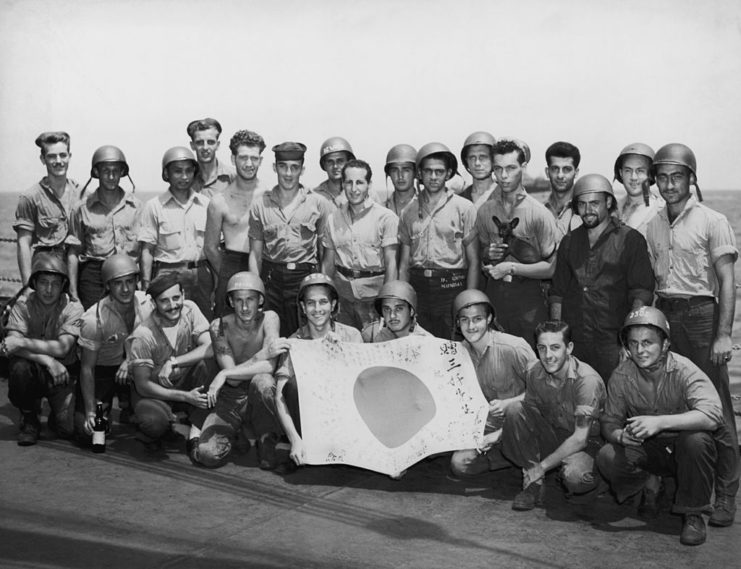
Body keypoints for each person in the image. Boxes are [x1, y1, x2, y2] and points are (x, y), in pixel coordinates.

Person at [646, 143, 739, 528]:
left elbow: (728, 282)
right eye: (663, 178)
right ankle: (679, 482)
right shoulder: (652, 223)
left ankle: (728, 492)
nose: (669, 185)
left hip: (702, 315)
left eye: (677, 177)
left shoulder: (712, 220)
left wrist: (723, 335)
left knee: (715, 405)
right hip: (667, 314)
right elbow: (653, 281)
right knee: (672, 398)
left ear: (691, 179)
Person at [597, 307, 724, 546]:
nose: (640, 350)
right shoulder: (622, 375)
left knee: (697, 441)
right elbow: (608, 422)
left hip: (683, 450)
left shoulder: (684, 370)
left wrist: (660, 421)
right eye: (633, 343)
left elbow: (713, 415)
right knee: (607, 456)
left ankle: (693, 514)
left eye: (648, 342)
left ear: (665, 344)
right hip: (648, 449)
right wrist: (620, 436)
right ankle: (649, 484)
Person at [550, 174, 655, 382]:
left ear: (608, 202)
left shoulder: (630, 240)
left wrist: (630, 341)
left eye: (594, 203)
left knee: (616, 403)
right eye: (582, 204)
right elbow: (557, 294)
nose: (588, 210)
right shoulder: (569, 241)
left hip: (613, 341)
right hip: (576, 340)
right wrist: (556, 340)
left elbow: (641, 292)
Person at [501, 320, 605, 510]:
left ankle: (599, 482)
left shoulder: (587, 381)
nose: (548, 356)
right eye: (542, 348)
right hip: (553, 434)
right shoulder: (534, 371)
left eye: (555, 348)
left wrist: (540, 467)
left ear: (569, 348)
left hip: (586, 443)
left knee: (576, 478)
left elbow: (580, 439)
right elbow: (529, 414)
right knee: (515, 410)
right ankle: (535, 484)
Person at [193, 272, 283, 469]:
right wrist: (230, 372)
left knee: (264, 381)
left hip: (257, 395)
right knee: (207, 455)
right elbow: (233, 379)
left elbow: (270, 365)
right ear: (231, 302)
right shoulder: (219, 326)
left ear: (260, 299)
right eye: (238, 300)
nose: (244, 307)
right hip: (231, 399)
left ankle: (266, 439)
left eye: (250, 299)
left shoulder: (270, 318)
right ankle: (235, 432)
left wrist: (224, 373)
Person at [273, 273, 363, 470]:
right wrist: (295, 440)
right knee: (292, 386)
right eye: (311, 303)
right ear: (303, 308)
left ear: (333, 305)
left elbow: (363, 388)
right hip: (309, 421)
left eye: (323, 302)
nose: (317, 309)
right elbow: (280, 397)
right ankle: (305, 445)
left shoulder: (351, 335)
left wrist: (342, 355)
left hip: (343, 419)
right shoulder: (294, 342)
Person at [475, 138, 558, 346]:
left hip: (528, 300)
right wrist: (488, 257)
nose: (503, 176)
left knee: (530, 364)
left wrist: (511, 267)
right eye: (498, 168)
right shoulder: (485, 211)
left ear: (523, 167)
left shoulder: (539, 214)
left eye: (511, 168)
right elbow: (480, 257)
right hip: (495, 297)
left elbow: (550, 269)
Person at [449, 290, 537, 478]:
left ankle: (522, 454)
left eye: (477, 319)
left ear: (489, 318)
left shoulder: (514, 347)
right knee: (460, 464)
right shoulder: (455, 354)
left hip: (521, 424)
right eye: (464, 320)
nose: (471, 326)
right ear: (457, 323)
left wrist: (509, 402)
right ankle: (506, 457)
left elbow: (545, 390)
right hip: (485, 426)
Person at [248, 142, 333, 337]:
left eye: (294, 167)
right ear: (274, 167)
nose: (288, 173)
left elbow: (325, 252)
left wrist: (322, 288)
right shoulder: (260, 204)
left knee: (306, 334)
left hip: (304, 277)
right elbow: (255, 254)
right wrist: (256, 290)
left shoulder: (318, 203)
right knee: (274, 335)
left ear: (302, 170)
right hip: (272, 280)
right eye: (282, 166)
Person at [398, 142, 478, 339]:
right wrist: (402, 299)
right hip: (419, 289)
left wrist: (471, 301)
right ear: (420, 174)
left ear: (448, 173)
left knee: (453, 348)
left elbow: (474, 260)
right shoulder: (408, 211)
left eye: (439, 171)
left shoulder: (464, 208)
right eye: (428, 171)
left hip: (451, 287)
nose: (433, 177)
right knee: (421, 347)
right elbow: (404, 264)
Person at [2, 253, 83, 446]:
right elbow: (10, 345)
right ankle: (29, 417)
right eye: (43, 282)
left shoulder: (73, 308)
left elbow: (62, 348)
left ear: (63, 285)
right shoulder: (22, 305)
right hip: (36, 370)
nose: (48, 289)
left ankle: (57, 415)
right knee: (19, 369)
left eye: (55, 283)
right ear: (34, 283)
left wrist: (22, 343)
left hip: (63, 375)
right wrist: (48, 361)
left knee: (68, 429)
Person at [128, 272, 214, 453]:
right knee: (153, 422)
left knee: (208, 364)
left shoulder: (190, 310)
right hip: (153, 392)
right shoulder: (144, 334)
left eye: (176, 298)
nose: (173, 305)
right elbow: (143, 385)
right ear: (153, 303)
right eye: (164, 301)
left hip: (183, 381)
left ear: (184, 295)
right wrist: (184, 397)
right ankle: (155, 429)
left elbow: (210, 347)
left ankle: (196, 430)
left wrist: (174, 362)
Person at [75, 254, 152, 442]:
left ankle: (132, 407)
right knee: (91, 435)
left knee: (154, 424)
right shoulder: (94, 320)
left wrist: (129, 360)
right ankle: (101, 409)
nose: (126, 289)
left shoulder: (147, 304)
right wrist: (91, 412)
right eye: (118, 283)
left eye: (130, 282)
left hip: (135, 369)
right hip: (103, 373)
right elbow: (87, 369)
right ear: (108, 285)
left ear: (137, 282)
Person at [321, 159, 398, 330]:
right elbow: (328, 264)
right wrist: (325, 299)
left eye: (359, 182)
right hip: (342, 299)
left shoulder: (386, 218)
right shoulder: (333, 219)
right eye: (349, 182)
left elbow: (392, 263)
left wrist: (387, 303)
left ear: (369, 185)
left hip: (373, 300)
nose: (354, 189)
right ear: (343, 184)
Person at [138, 146, 214, 320]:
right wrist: (146, 286)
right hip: (168, 275)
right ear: (167, 174)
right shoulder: (154, 206)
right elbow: (147, 251)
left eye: (189, 171)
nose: (184, 176)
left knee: (204, 323)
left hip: (201, 274)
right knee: (168, 325)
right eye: (178, 171)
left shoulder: (206, 204)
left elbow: (214, 248)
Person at [66, 145, 142, 310]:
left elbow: (144, 249)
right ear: (96, 173)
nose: (111, 176)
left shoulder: (136, 207)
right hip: (94, 275)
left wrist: (143, 283)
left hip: (127, 273)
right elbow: (73, 252)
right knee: (93, 323)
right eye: (106, 170)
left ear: (123, 172)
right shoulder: (81, 208)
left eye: (116, 171)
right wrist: (73, 294)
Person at [204, 129, 270, 317]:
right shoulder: (219, 201)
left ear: (261, 160)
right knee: (226, 330)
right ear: (233, 159)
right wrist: (229, 275)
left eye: (254, 158)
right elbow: (210, 247)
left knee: (264, 329)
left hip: (265, 266)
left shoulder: (269, 195)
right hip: (231, 266)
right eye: (243, 158)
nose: (249, 164)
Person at [14, 131, 80, 285]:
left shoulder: (83, 195)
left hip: (78, 272)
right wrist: (27, 286)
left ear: (70, 156)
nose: (58, 161)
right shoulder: (30, 197)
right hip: (47, 273)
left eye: (63, 155)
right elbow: (23, 243)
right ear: (43, 159)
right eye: (52, 156)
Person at [613, 142, 663, 236]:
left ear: (650, 174)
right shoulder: (613, 210)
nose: (633, 177)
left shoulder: (662, 211)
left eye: (640, 171)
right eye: (628, 170)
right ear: (621, 173)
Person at [361, 280, 431, 342]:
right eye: (387, 309)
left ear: (411, 311)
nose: (392, 315)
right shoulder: (381, 337)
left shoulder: (427, 342)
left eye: (399, 309)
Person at [543, 141, 582, 241]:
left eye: (567, 169)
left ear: (576, 173)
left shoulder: (585, 210)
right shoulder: (538, 210)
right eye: (555, 169)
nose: (560, 175)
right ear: (547, 172)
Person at [187, 118, 236, 197]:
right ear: (192, 145)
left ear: (217, 145)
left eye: (210, 142)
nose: (205, 147)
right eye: (200, 142)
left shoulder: (234, 178)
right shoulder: (186, 180)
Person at [312, 137, 355, 209]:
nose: (335, 166)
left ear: (348, 162)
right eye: (330, 162)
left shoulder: (364, 192)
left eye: (340, 161)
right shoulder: (314, 196)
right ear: (324, 165)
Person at [377, 144, 418, 216]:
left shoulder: (427, 207)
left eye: (406, 170)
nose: (400, 176)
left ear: (415, 173)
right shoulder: (380, 210)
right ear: (389, 173)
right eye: (394, 170)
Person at [459, 131, 497, 208]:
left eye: (483, 157)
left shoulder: (508, 195)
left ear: (493, 160)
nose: (477, 163)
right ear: (466, 161)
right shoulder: (459, 199)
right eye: (472, 158)